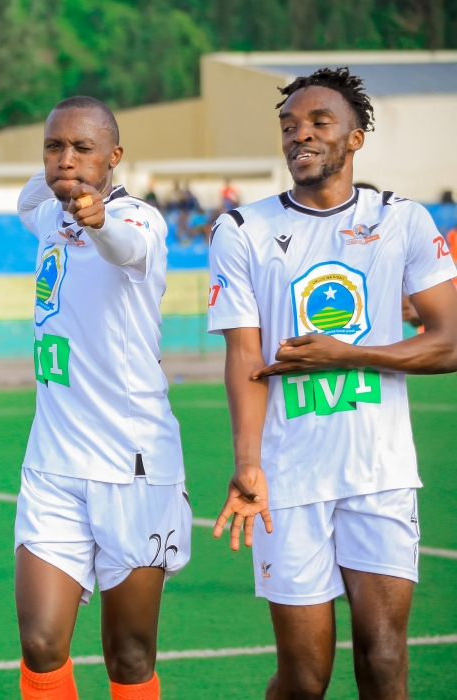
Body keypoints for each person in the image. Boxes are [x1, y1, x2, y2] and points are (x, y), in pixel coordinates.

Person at [209, 67, 457, 699]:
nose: (301, 136)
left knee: (384, 660)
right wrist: (247, 462)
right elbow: (245, 357)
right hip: (288, 479)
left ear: (355, 138)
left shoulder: (402, 221)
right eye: (290, 126)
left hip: (379, 472)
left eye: (320, 123)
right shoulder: (243, 230)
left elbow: (449, 341)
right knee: (304, 678)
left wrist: (349, 355)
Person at [13, 96, 189, 700]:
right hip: (53, 464)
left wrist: (97, 216)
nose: (66, 159)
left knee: (130, 655)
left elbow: (123, 246)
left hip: (133, 466)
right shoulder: (46, 214)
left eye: (83, 148)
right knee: (40, 644)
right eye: (53, 147)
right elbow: (29, 197)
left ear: (115, 157)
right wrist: (67, 177)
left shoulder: (139, 220)